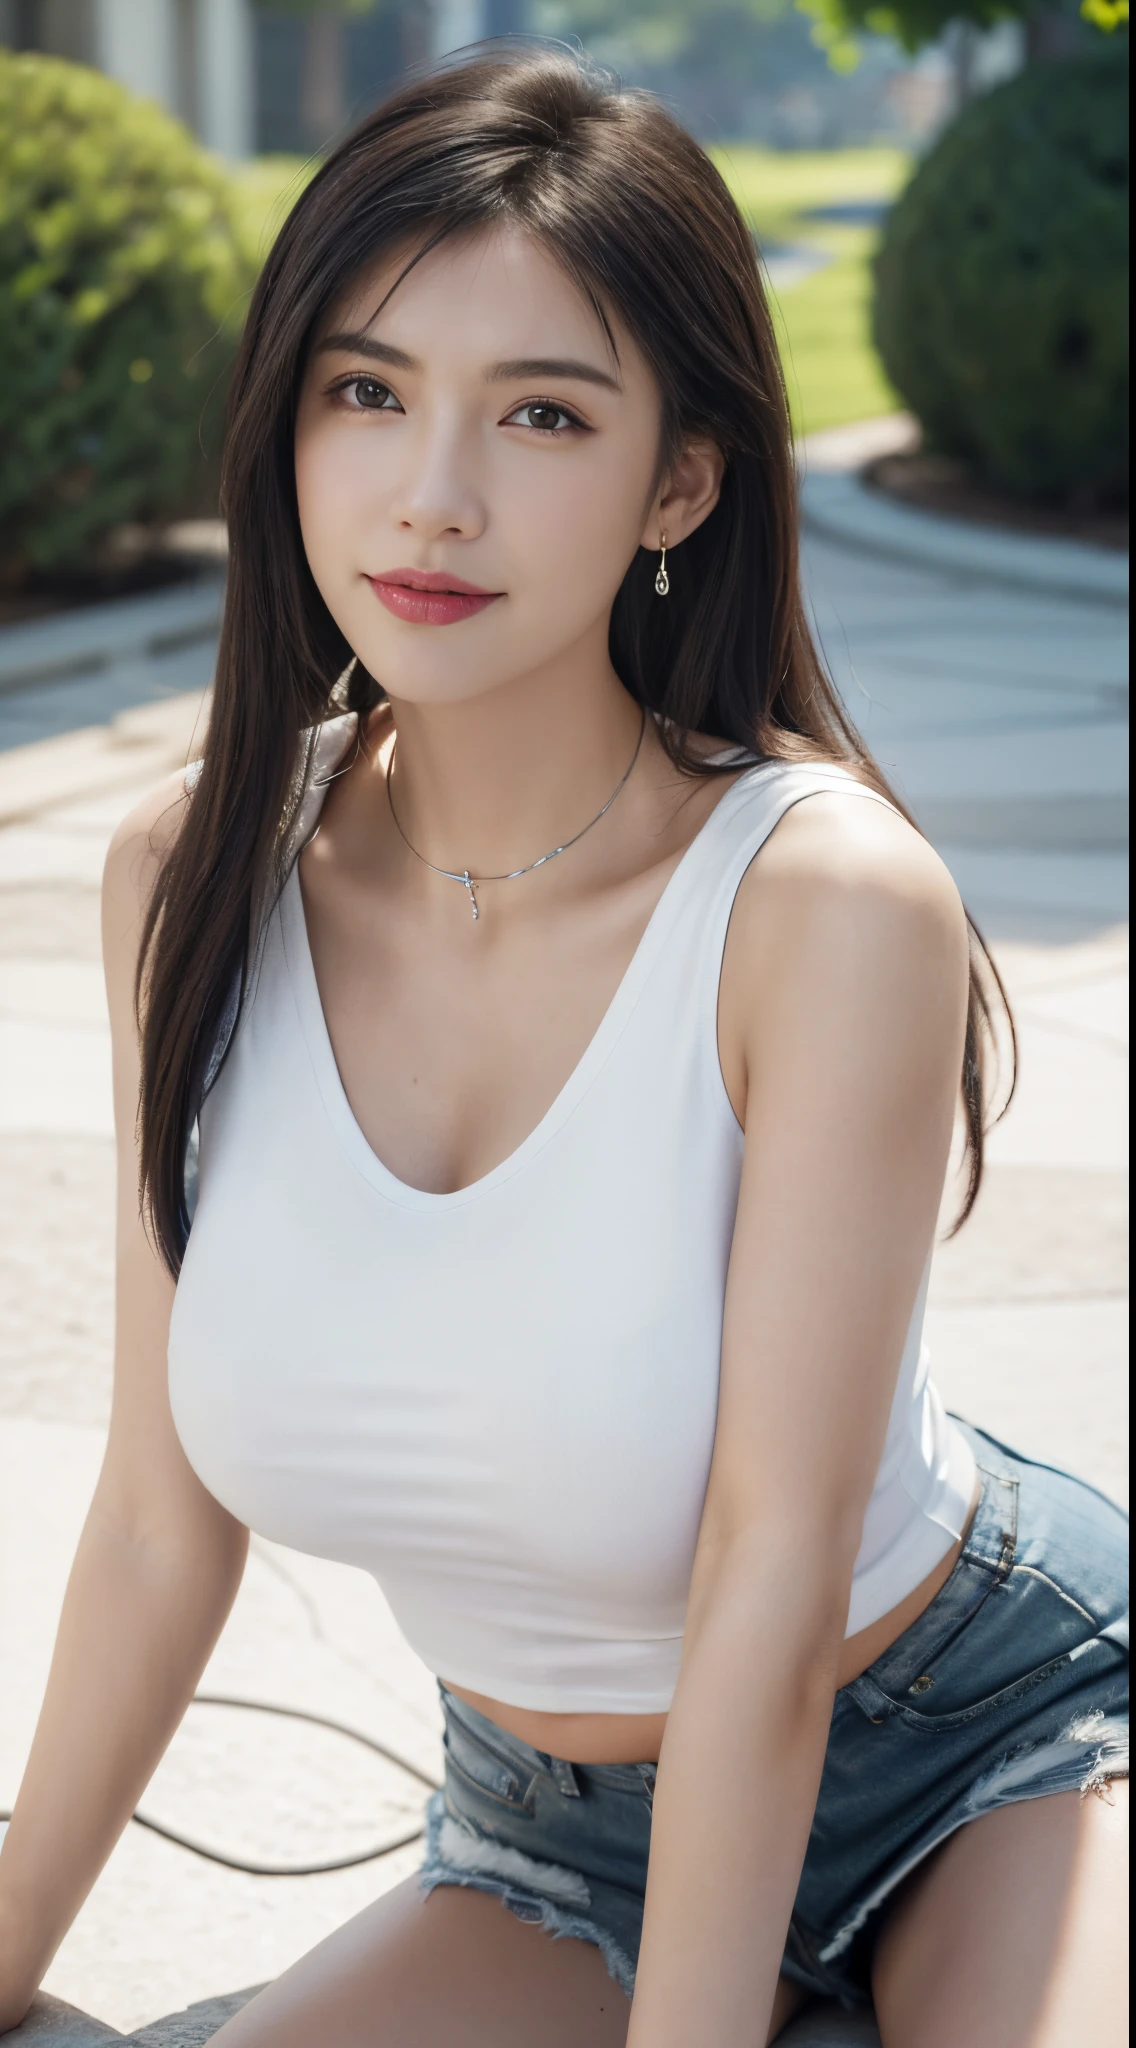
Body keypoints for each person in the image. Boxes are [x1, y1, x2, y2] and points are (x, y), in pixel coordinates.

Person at [0, 50, 1126, 2048]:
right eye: (368, 391)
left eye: (541, 414)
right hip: (550, 1836)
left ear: (678, 479)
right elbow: (164, 1523)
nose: (433, 491)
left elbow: (768, 1585)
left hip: (985, 1741)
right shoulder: (188, 875)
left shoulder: (820, 905)